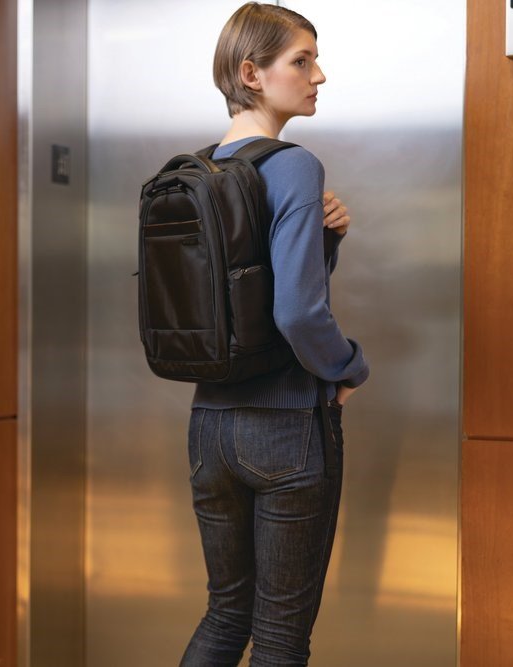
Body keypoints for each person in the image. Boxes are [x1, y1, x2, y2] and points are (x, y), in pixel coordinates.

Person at [180, 4, 369, 666]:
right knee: (281, 637)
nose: (319, 74)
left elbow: (242, 298)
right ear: (251, 73)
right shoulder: (292, 166)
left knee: (225, 615)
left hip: (209, 429)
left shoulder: (199, 170)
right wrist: (347, 368)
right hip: (287, 430)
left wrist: (325, 241)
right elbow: (295, 314)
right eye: (302, 60)